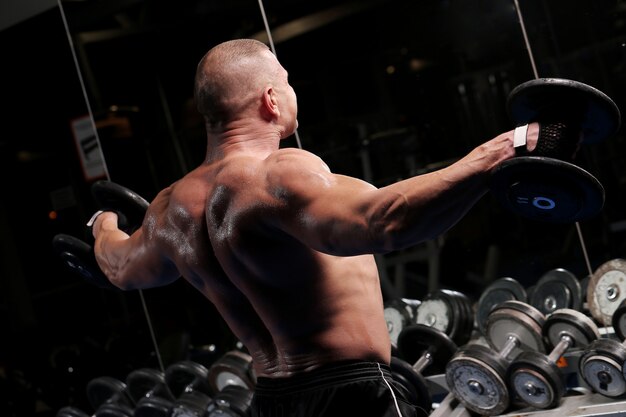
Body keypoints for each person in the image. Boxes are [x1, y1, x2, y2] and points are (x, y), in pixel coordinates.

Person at [90, 38, 538, 417]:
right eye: (286, 83)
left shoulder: (167, 211)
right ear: (270, 99)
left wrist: (102, 222)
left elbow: (118, 265)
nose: (291, 93)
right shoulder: (275, 174)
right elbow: (384, 221)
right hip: (352, 395)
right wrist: (501, 152)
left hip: (270, 400)